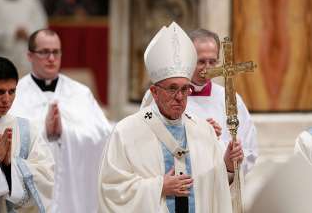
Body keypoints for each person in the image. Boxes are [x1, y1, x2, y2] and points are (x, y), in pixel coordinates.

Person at [98, 22, 243, 213]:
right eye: (172, 88)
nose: (180, 97)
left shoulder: (202, 131)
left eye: (185, 89)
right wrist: (159, 187)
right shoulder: (126, 132)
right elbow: (111, 189)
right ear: (154, 92)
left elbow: (212, 191)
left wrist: (227, 166)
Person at [9, 29, 112, 213]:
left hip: (75, 193)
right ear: (30, 56)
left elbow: (103, 134)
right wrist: (44, 131)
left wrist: (64, 132)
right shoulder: (16, 94)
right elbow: (9, 137)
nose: (51, 58)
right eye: (44, 52)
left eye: (56, 52)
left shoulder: (80, 93)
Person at [141, 28, 257, 174]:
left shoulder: (230, 99)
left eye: (212, 62)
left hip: (218, 186)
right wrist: (197, 133)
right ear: (188, 59)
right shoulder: (160, 94)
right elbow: (146, 142)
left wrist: (232, 159)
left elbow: (249, 150)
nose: (207, 69)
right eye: (201, 62)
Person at [0, 56, 54, 212]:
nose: (7, 99)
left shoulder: (26, 129)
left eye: (12, 91)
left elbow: (47, 176)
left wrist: (9, 167)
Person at [0, 0, 47, 78]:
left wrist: (28, 32)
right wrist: (13, 32)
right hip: (0, 56)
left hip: (26, 59)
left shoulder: (31, 1)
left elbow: (42, 24)